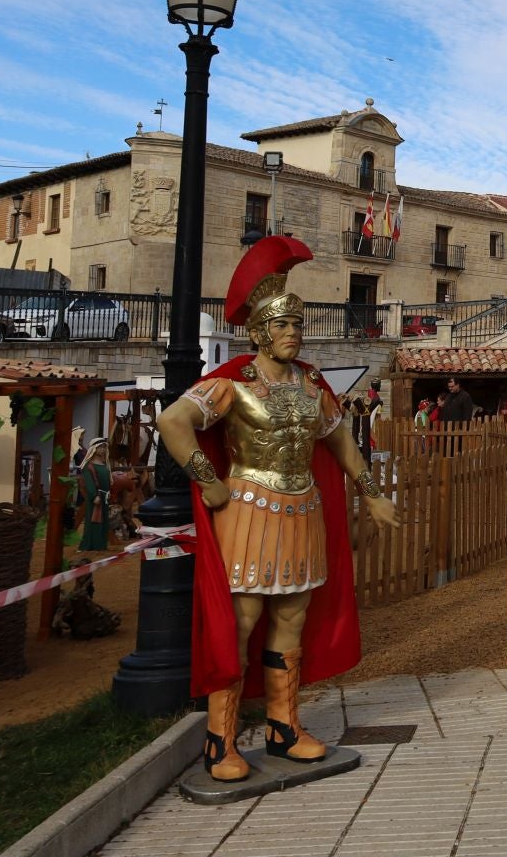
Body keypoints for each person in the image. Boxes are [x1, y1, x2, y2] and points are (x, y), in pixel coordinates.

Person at [155, 235, 400, 783]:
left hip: (303, 509)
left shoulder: (314, 386)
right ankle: (220, 740)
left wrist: (371, 492)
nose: (293, 334)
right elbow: (173, 421)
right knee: (241, 621)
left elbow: (340, 442)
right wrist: (207, 479)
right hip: (247, 505)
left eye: (297, 325)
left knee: (292, 616)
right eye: (282, 326)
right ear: (261, 332)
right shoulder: (233, 383)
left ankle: (283, 728)